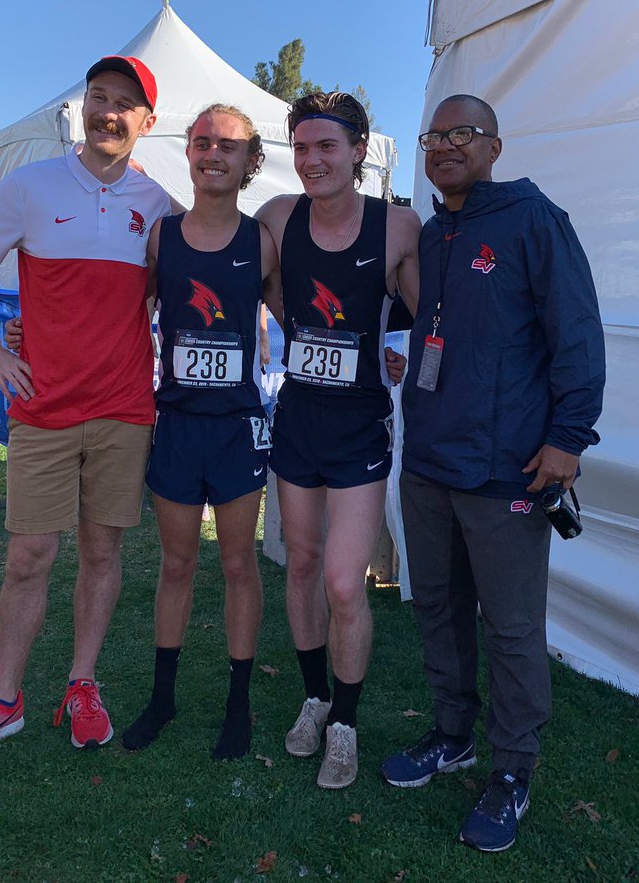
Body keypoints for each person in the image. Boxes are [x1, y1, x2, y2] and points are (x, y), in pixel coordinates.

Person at [380, 94, 605, 852]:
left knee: (510, 629)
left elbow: (576, 334)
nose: (444, 145)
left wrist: (569, 438)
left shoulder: (535, 221)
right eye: (433, 136)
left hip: (509, 469)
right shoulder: (434, 233)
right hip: (430, 463)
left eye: (461, 133)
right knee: (437, 607)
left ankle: (512, 770)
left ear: (494, 148)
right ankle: (453, 733)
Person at [0, 55, 170, 767]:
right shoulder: (32, 185)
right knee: (30, 554)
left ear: (146, 122)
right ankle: (5, 699)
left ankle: (82, 684)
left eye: (124, 103)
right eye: (98, 97)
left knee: (102, 551)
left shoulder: (160, 204)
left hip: (125, 407)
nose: (108, 111)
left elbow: (169, 290)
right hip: (44, 409)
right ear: (84, 107)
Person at [254, 91, 420, 789]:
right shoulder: (278, 218)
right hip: (299, 422)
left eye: (327, 146)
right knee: (300, 565)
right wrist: (295, 328)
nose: (312, 160)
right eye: (301, 148)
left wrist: (401, 348)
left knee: (344, 583)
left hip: (357, 429)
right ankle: (313, 698)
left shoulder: (396, 226)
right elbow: (242, 281)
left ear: (358, 150)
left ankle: (345, 724)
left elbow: (428, 310)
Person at [116, 104, 275, 761]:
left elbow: (310, 316)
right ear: (189, 153)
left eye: (228, 146)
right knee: (177, 564)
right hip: (178, 426)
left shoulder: (262, 241)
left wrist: (383, 348)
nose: (213, 154)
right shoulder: (163, 237)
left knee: (239, 565)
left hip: (237, 429)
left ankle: (239, 705)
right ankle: (164, 696)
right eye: (203, 142)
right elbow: (119, 313)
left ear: (249, 161)